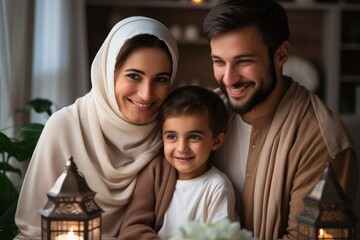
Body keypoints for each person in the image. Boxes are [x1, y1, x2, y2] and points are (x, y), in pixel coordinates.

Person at [202, 0, 358, 239]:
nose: (229, 78)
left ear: (281, 55)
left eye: (243, 61)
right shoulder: (204, 113)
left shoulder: (321, 141)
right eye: (219, 62)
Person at [14, 16, 178, 240]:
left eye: (160, 79)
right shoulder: (66, 126)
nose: (146, 94)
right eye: (133, 76)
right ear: (109, 73)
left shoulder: (172, 138)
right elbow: (33, 226)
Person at [118, 85, 238, 240]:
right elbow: (134, 225)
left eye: (194, 137)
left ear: (216, 141)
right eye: (172, 137)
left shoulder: (217, 187)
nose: (181, 148)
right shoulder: (156, 172)